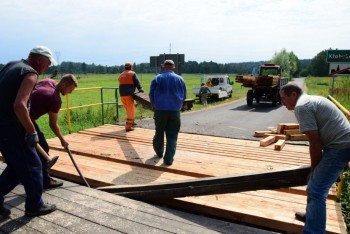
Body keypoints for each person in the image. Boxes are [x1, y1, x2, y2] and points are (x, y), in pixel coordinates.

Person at [279, 82, 350, 234]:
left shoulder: (301, 107)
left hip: (340, 147)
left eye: (284, 98)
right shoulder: (310, 100)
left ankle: (314, 231)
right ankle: (312, 217)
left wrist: (314, 169)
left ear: (294, 95)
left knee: (316, 189)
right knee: (315, 183)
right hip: (340, 144)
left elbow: (315, 142)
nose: (282, 103)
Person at [0, 45, 58, 217]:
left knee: (17, 167)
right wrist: (31, 130)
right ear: (40, 59)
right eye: (48, 63)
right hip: (13, 128)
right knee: (34, 166)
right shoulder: (30, 73)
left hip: (2, 127)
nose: (48, 67)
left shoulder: (11, 65)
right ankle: (35, 205)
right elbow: (19, 105)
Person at [30, 74, 78, 189]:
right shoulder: (55, 99)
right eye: (70, 90)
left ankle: (34, 176)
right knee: (43, 148)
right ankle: (45, 180)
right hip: (23, 120)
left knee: (31, 148)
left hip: (19, 114)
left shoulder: (48, 81)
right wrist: (62, 140)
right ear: (63, 84)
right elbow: (52, 124)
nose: (70, 93)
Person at [149, 60, 187, 166]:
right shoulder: (180, 79)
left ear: (163, 67)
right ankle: (168, 159)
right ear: (173, 68)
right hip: (175, 111)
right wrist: (179, 105)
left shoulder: (157, 78)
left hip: (160, 110)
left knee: (159, 132)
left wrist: (154, 105)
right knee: (172, 136)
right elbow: (184, 95)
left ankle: (159, 152)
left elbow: (151, 94)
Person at [118, 62, 144, 132]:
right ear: (131, 67)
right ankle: (128, 127)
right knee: (130, 111)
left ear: (125, 67)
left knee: (129, 110)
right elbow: (137, 82)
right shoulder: (132, 73)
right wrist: (140, 89)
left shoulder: (121, 74)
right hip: (128, 94)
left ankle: (132, 122)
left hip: (122, 95)